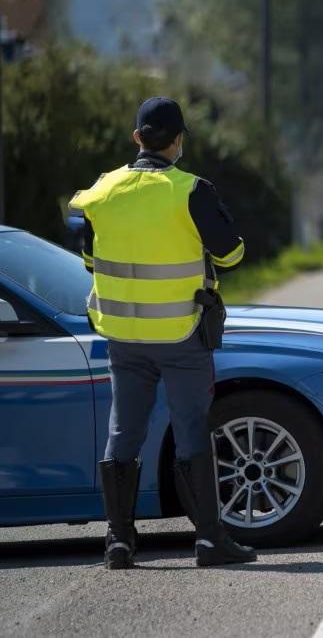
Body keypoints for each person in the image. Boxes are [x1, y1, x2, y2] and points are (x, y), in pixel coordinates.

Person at [69, 97, 256, 569]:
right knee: (192, 429)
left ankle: (118, 542)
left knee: (123, 431)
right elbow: (232, 255)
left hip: (123, 336)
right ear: (179, 140)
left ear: (137, 138)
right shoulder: (191, 190)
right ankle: (210, 540)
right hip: (181, 333)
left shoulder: (103, 191)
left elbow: (91, 260)